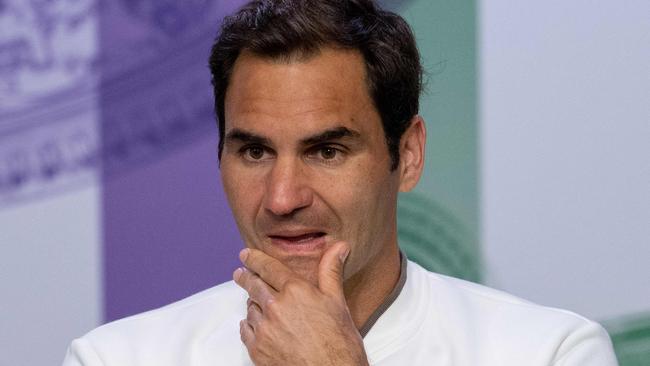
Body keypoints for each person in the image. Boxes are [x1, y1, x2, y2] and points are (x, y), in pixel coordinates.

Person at [62, 0, 619, 365]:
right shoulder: (117, 358)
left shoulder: (549, 353)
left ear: (408, 153)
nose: (282, 198)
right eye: (254, 150)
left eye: (327, 150)